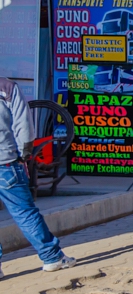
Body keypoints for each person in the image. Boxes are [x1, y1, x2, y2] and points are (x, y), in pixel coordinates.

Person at [0, 78, 76, 278]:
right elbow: (23, 125)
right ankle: (52, 257)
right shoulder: (7, 87)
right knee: (25, 213)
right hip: (6, 163)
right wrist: (25, 155)